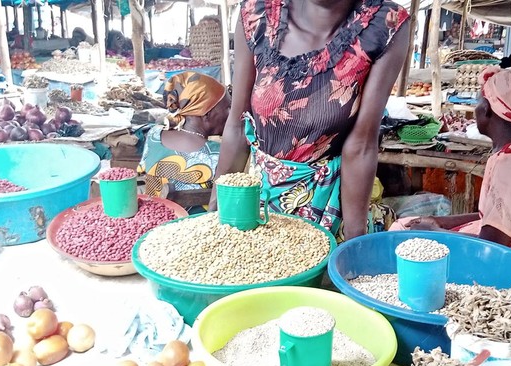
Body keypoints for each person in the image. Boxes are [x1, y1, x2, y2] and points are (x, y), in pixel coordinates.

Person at [209, 0, 410, 241]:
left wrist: (355, 240)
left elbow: (361, 144)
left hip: (328, 210)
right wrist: (216, 209)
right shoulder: (257, 15)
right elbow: (238, 124)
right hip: (255, 204)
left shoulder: (383, 25)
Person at [392, 68, 511, 276]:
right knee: (407, 224)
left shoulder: (510, 162)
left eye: (478, 103)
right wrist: (441, 221)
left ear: (487, 110)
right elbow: (500, 216)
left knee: (402, 235)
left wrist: (436, 234)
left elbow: (491, 246)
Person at [137, 72, 230, 212]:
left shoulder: (154, 135)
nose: (230, 113)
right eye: (227, 108)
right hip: (194, 229)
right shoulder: (218, 154)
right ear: (206, 114)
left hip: (153, 219)